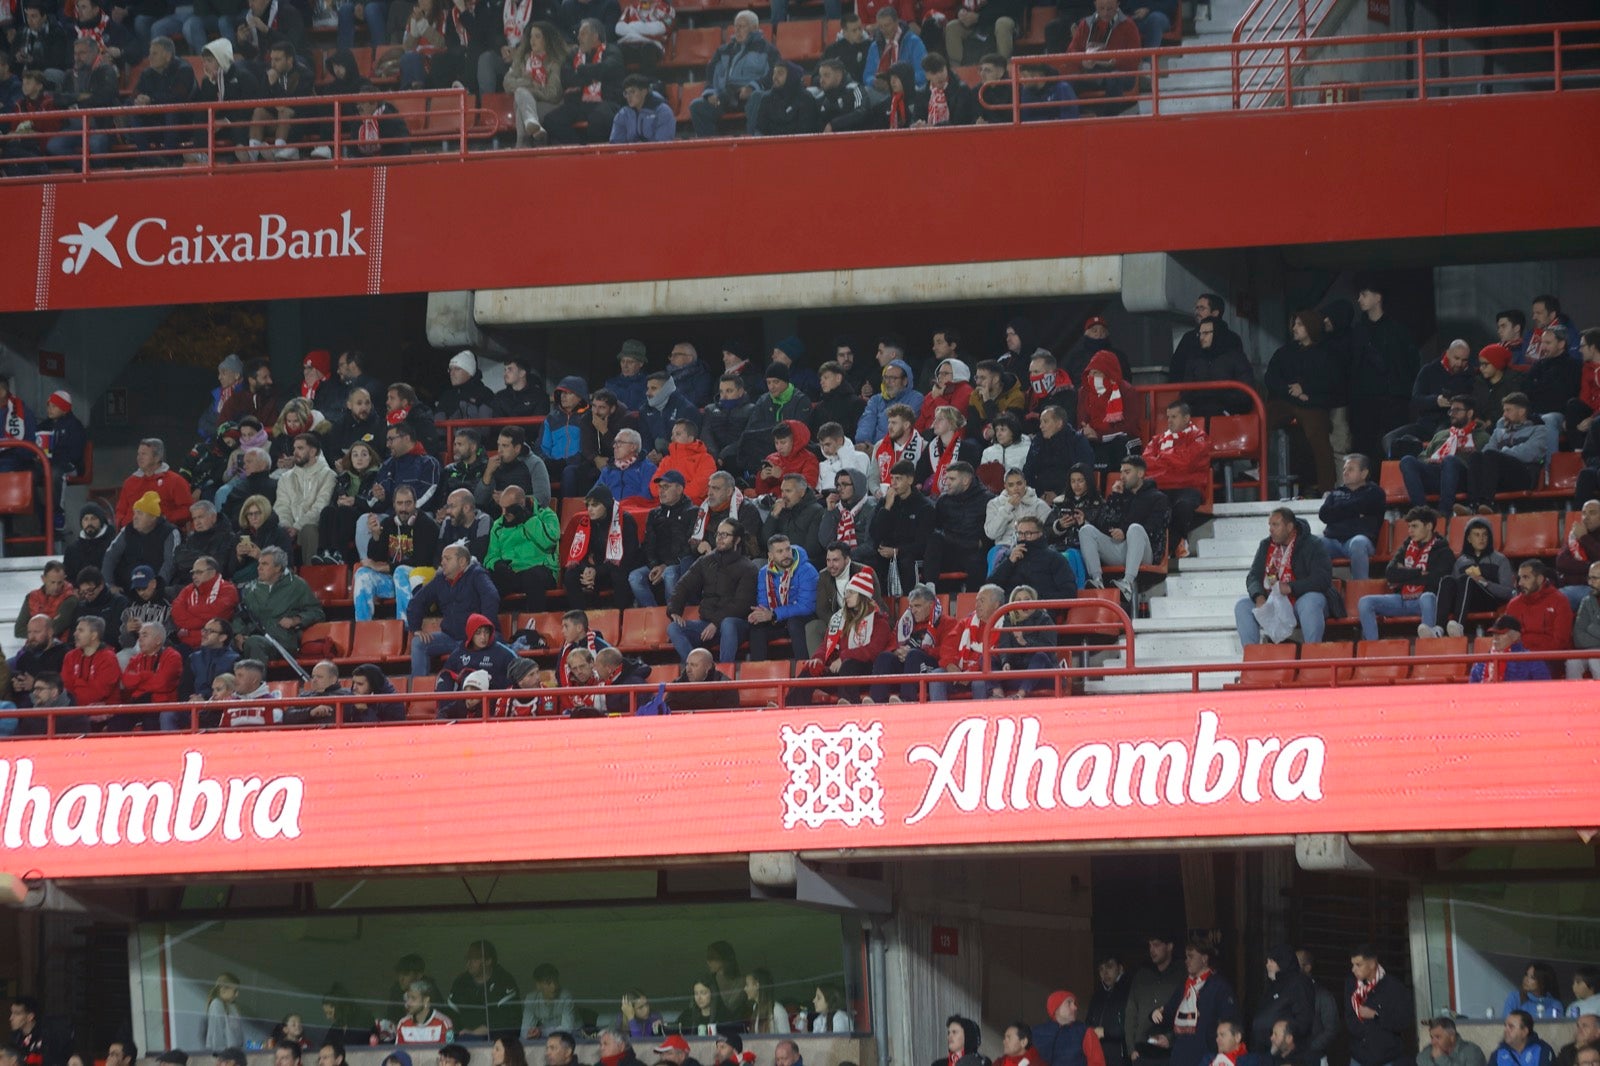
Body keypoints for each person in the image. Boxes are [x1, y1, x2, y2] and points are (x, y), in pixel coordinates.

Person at [1235, 508, 1341, 645]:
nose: (1271, 529)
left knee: (1310, 601)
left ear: (1290, 527)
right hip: (1274, 600)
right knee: (1243, 605)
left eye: (1276, 525)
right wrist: (1258, 596)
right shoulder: (1266, 545)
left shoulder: (1313, 544)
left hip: (1300, 600)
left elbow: (1322, 579)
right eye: (1270, 525)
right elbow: (1253, 576)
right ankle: (1253, 661)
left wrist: (1290, 587)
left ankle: (1313, 655)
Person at [1265, 310, 1337, 497]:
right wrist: (1293, 391)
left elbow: (1329, 383)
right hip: (1286, 400)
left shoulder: (1325, 354)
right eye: (1294, 324)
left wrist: (1305, 390)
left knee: (1318, 435)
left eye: (1299, 324)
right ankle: (1256, 466)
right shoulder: (1284, 352)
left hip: (1312, 404)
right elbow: (1271, 377)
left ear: (1310, 327)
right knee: (1262, 419)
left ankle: (1327, 488)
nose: (1294, 328)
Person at [1079, 457, 1168, 606]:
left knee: (1135, 529)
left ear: (1140, 474)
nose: (1122, 477)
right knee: (1086, 530)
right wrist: (1114, 498)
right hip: (1121, 549)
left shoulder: (1158, 498)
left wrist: (1125, 532)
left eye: (1127, 472)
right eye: (1121, 472)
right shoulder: (1120, 496)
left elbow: (1156, 528)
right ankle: (1097, 580)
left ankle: (1127, 582)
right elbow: (1102, 524)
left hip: (1145, 552)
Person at [1348, 279, 1419, 460]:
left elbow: (1410, 362)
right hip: (1365, 400)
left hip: (1392, 399)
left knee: (1393, 444)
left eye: (1364, 294)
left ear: (1378, 297)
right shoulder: (1357, 331)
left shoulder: (1397, 331)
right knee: (1366, 446)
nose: (1359, 299)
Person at [668, 519, 758, 663]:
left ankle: (723, 674)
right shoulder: (706, 561)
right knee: (674, 628)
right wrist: (674, 609)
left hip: (736, 625)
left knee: (728, 623)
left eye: (725, 535)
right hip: (707, 623)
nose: (720, 538)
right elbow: (683, 585)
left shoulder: (748, 568)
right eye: (718, 534)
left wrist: (716, 623)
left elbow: (741, 604)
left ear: (737, 539)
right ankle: (697, 668)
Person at [1452, 392, 1555, 516]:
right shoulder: (1499, 432)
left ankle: (1488, 504)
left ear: (1521, 411)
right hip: (1500, 477)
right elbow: (1486, 452)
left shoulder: (1539, 430)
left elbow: (1529, 453)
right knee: (1476, 456)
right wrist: (1498, 455)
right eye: (1504, 410)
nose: (1504, 415)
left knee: (1492, 455)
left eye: (1508, 410)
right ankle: (1472, 505)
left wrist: (1503, 452)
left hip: (1524, 475)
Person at [1359, 506, 1452, 640]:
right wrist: (1418, 572)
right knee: (1365, 602)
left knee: (1428, 598)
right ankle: (1373, 651)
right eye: (1409, 527)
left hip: (1424, 601)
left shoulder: (1443, 551)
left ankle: (1428, 646)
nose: (1410, 531)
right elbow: (1390, 574)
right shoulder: (1405, 547)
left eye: (1414, 526)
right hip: (1401, 598)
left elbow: (1436, 580)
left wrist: (1404, 575)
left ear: (1429, 526)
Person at [800, 567, 892, 704]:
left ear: (862, 595)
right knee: (811, 669)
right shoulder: (841, 619)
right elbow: (826, 644)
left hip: (866, 673)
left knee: (849, 664)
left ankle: (847, 704)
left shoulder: (880, 623)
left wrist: (843, 657)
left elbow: (872, 652)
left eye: (851, 593)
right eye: (846, 592)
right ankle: (786, 707)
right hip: (840, 671)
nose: (846, 596)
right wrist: (818, 658)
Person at [407, 544, 501, 676]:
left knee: (491, 643)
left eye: (447, 559)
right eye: (442, 559)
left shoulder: (477, 574)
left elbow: (491, 596)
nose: (442, 562)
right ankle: (418, 694)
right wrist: (415, 628)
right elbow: (417, 602)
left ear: (462, 562)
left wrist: (483, 629)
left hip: (476, 637)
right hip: (450, 637)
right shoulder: (440, 579)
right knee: (418, 643)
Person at [354, 485, 440, 623]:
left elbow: (421, 561)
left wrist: (385, 568)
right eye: (400, 503)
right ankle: (363, 628)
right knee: (362, 574)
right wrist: (376, 536)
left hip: (420, 580)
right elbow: (376, 557)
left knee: (400, 571)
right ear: (394, 505)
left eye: (408, 503)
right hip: (395, 580)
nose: (404, 508)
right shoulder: (388, 523)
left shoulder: (427, 525)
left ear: (415, 504)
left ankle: (407, 627)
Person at [689, 10, 777, 136]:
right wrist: (710, 92)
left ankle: (754, 145)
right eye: (736, 26)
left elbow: (774, 74)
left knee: (758, 97)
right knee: (697, 106)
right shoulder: (723, 51)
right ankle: (711, 149)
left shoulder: (768, 50)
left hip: (751, 95)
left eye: (742, 26)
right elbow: (710, 74)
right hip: (725, 96)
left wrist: (752, 87)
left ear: (754, 28)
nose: (737, 30)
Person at [1385, 340, 1478, 459]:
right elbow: (1416, 401)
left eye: (1464, 360)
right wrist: (1436, 401)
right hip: (1425, 424)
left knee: (1439, 437)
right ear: (1448, 353)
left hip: (1450, 424)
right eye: (1456, 358)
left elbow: (1473, 405)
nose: (1460, 363)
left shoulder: (1471, 377)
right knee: (1389, 439)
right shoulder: (1429, 370)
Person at [1141, 402, 1211, 557]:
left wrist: (1163, 459)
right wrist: (1174, 460)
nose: (1169, 421)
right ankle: (1167, 546)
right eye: (1168, 417)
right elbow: (1145, 463)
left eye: (1174, 417)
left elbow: (1187, 461)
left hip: (1188, 487)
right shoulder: (1157, 440)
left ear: (1186, 418)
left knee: (1183, 506)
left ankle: (1173, 544)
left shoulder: (1199, 438)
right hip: (1162, 487)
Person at [1151, 941, 1237, 1066]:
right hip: (1180, 1057)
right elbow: (1168, 1014)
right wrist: (1155, 1013)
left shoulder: (1219, 987)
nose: (1186, 961)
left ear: (1204, 959)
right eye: (1186, 957)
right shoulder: (1184, 987)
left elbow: (1230, 1024)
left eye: (1191, 956)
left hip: (1206, 1058)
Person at [1398, 395, 1488, 511]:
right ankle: (1422, 511)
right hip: (1436, 475)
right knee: (1407, 460)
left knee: (1449, 460)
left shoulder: (1482, 437)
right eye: (1451, 410)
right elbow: (1422, 456)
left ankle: (1444, 512)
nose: (1452, 414)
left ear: (1470, 413)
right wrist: (1428, 460)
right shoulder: (1441, 434)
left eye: (1457, 410)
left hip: (1461, 479)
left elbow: (1483, 466)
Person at [235, 546, 324, 663]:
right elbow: (240, 615)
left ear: (278, 568)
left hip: (282, 641)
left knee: (254, 643)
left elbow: (317, 612)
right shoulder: (250, 588)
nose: (259, 568)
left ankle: (257, 681)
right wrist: (238, 634)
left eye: (265, 564)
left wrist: (295, 620)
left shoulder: (297, 585)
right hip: (252, 636)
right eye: (259, 564)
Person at [1434, 517, 1514, 638]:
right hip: (1466, 601)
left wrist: (1484, 582)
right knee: (1447, 580)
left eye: (1485, 535)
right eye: (1477, 535)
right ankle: (1438, 629)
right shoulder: (1460, 562)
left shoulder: (1500, 559)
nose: (1481, 538)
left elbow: (1508, 592)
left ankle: (1459, 626)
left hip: (1489, 601)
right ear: (1469, 539)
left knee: (1466, 579)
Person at [485, 484, 560, 612]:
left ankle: (535, 624)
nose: (504, 513)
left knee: (532, 578)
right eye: (501, 508)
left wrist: (527, 519)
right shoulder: (498, 525)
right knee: (483, 580)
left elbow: (549, 542)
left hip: (542, 569)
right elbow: (490, 557)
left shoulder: (545, 515)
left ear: (521, 503)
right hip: (512, 572)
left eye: (508, 509)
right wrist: (497, 564)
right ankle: (491, 627)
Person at [562, 485, 638, 609]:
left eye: (595, 505)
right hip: (597, 569)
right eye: (588, 505)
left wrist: (596, 571)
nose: (590, 509)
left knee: (618, 575)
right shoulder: (586, 522)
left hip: (619, 567)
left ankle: (621, 616)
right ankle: (581, 615)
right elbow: (579, 554)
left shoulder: (625, 521)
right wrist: (587, 570)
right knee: (571, 574)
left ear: (606, 505)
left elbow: (627, 558)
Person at [630, 470, 697, 607]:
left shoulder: (693, 512)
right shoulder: (654, 514)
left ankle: (672, 613)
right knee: (635, 577)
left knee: (670, 574)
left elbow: (688, 547)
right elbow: (649, 544)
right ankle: (653, 615)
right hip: (658, 565)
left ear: (679, 489)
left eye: (666, 487)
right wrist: (654, 564)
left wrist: (666, 565)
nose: (661, 491)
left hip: (679, 564)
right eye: (660, 487)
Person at [869, 460, 934, 595]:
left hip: (909, 553)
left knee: (906, 562)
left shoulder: (924, 506)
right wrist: (886, 508)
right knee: (870, 560)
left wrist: (896, 551)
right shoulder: (885, 502)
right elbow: (874, 533)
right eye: (892, 478)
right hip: (886, 551)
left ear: (910, 480)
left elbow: (923, 543)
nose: (893, 483)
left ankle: (910, 603)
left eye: (898, 479)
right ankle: (879, 605)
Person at [749, 535, 818, 661]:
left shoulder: (806, 570)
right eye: (780, 551)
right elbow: (764, 600)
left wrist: (774, 614)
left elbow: (807, 606)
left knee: (794, 623)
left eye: (787, 549)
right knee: (757, 627)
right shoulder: (764, 572)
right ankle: (758, 675)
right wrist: (759, 614)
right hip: (778, 618)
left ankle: (803, 670)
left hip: (803, 618)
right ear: (770, 556)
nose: (786, 554)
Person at [1344, 944, 1412, 1066]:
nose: (1353, 969)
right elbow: (1349, 1015)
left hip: (1386, 1057)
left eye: (1358, 965)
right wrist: (1362, 1033)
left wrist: (1376, 1015)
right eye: (1353, 965)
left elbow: (1403, 1021)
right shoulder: (1351, 985)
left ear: (1372, 964)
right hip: (1359, 1055)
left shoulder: (1393, 987)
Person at [448, 940, 522, 1039]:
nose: (468, 964)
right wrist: (460, 1032)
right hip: (463, 1038)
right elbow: (450, 1015)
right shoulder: (461, 982)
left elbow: (509, 1020)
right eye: (468, 960)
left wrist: (478, 1032)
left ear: (488, 961)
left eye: (474, 960)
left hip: (497, 1040)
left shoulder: (504, 980)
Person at [115, 438, 195, 529]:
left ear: (157, 458)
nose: (139, 458)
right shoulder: (129, 482)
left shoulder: (175, 481)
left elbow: (188, 510)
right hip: (130, 534)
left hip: (162, 534)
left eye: (144, 454)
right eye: (138, 454)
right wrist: (122, 524)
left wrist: (163, 520)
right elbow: (120, 511)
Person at [1252, 947, 1313, 1059]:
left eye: (1271, 961)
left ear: (1282, 962)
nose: (1267, 965)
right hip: (1267, 1051)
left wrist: (1285, 1039)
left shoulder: (1298, 983)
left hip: (1286, 1054)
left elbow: (1303, 1020)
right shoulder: (1274, 984)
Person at [1504, 561, 1573, 654]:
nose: (1520, 583)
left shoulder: (1560, 601)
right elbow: (1506, 637)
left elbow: (1561, 641)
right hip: (1520, 658)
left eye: (1526, 577)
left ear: (1540, 579)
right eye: (1519, 578)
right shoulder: (1514, 604)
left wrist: (1532, 654)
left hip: (1551, 657)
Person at [1468, 614, 1549, 684]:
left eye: (1501, 634)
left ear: (1516, 636)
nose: (1496, 637)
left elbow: (1544, 690)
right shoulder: (1481, 663)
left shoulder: (1532, 661)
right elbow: (1471, 693)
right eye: (1494, 634)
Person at [13, 561, 77, 642]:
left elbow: (56, 629)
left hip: (58, 647)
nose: (56, 587)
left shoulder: (70, 599)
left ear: (64, 578)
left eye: (60, 582)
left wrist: (33, 631)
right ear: (43, 579)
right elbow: (18, 630)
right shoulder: (31, 597)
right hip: (33, 647)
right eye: (52, 582)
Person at [1088, 957, 1132, 1066]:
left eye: (1109, 967)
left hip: (1120, 1056)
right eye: (1101, 969)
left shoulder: (1129, 992)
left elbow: (1131, 1026)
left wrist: (1105, 1032)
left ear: (1120, 969)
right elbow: (1088, 1021)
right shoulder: (1097, 995)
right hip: (1098, 1055)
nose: (1105, 972)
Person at [520, 965, 579, 1039]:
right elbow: (524, 1031)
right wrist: (529, 1034)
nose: (554, 986)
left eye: (556, 981)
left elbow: (567, 1030)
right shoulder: (531, 999)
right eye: (548, 983)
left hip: (574, 1036)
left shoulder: (566, 997)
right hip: (545, 1037)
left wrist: (541, 1032)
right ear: (538, 985)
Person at [396, 980, 453, 1044]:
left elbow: (449, 1051)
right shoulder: (403, 1023)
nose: (408, 1003)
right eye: (408, 998)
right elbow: (398, 1052)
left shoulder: (445, 1022)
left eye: (413, 998)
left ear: (426, 1000)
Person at [1418, 1018, 1485, 1066]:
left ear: (1451, 1037)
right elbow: (1420, 1060)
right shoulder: (1428, 1050)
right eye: (1432, 1037)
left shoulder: (1472, 1051)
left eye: (1438, 1037)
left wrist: (1441, 1059)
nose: (1433, 1042)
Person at [206, 974, 245, 1051]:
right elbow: (217, 1033)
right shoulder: (216, 1004)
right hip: (224, 1054)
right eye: (235, 991)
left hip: (235, 1052)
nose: (237, 995)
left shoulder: (232, 1006)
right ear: (223, 989)